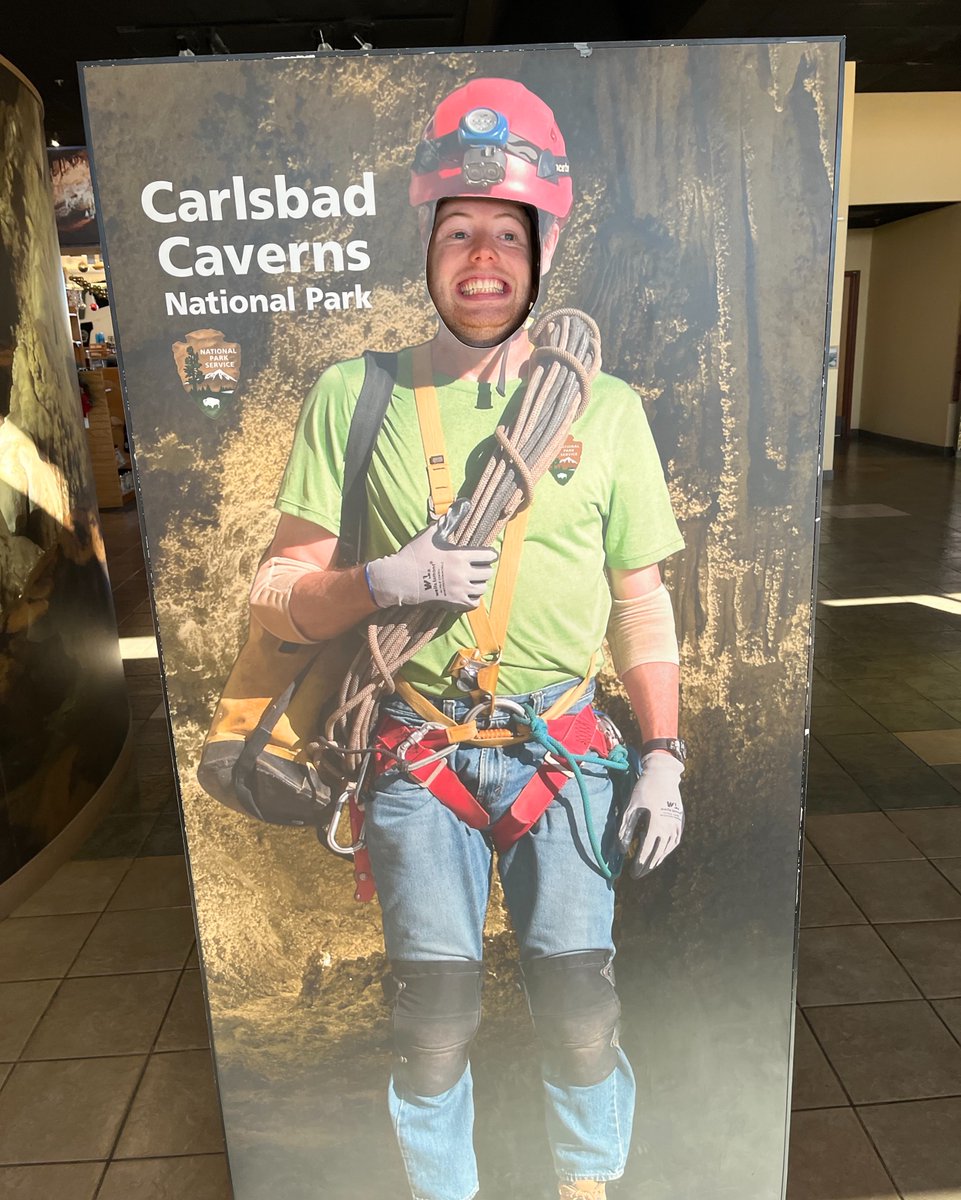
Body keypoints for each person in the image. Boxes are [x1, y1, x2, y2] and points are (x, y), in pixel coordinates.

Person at [249, 78, 686, 1200]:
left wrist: (665, 755)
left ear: (543, 247)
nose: (481, 257)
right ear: (426, 243)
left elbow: (638, 601)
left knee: (580, 1006)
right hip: (422, 751)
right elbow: (274, 596)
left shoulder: (606, 409)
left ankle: (587, 1186)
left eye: (506, 231)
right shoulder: (359, 397)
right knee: (431, 1021)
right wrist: (378, 582)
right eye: (458, 232)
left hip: (565, 752)